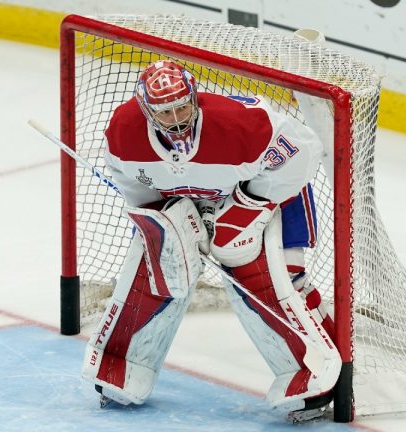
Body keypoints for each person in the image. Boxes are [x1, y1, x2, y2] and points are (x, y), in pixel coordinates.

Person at [81, 60, 341, 421]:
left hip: (265, 192)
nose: (176, 119)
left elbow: (303, 152)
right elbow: (132, 182)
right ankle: (124, 363)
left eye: (182, 107)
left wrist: (248, 208)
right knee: (160, 264)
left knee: (270, 274)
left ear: (194, 98)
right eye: (165, 112)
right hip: (186, 199)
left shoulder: (242, 124)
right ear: (147, 111)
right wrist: (165, 218)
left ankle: (320, 370)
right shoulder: (125, 131)